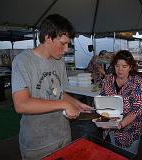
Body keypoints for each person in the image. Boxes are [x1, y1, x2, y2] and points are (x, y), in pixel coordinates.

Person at [11, 14, 92, 160]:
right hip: (37, 143)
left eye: (68, 44)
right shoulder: (23, 61)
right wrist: (64, 104)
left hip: (63, 136)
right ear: (48, 38)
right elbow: (21, 104)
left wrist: (76, 103)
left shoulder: (59, 61)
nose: (66, 49)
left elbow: (59, 93)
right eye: (63, 43)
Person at [100, 50, 142, 154]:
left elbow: (138, 110)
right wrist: (103, 118)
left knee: (126, 155)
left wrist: (120, 125)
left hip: (130, 131)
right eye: (117, 66)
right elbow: (103, 99)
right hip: (111, 128)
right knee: (113, 154)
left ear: (130, 67)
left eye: (124, 66)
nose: (120, 69)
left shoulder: (137, 83)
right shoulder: (108, 79)